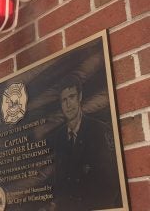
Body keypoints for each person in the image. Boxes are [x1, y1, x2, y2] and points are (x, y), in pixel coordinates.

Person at [52, 74, 122, 211]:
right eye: (63, 100)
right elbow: (60, 182)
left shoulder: (100, 130)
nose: (68, 104)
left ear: (80, 97)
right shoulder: (59, 137)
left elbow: (112, 184)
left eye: (71, 97)